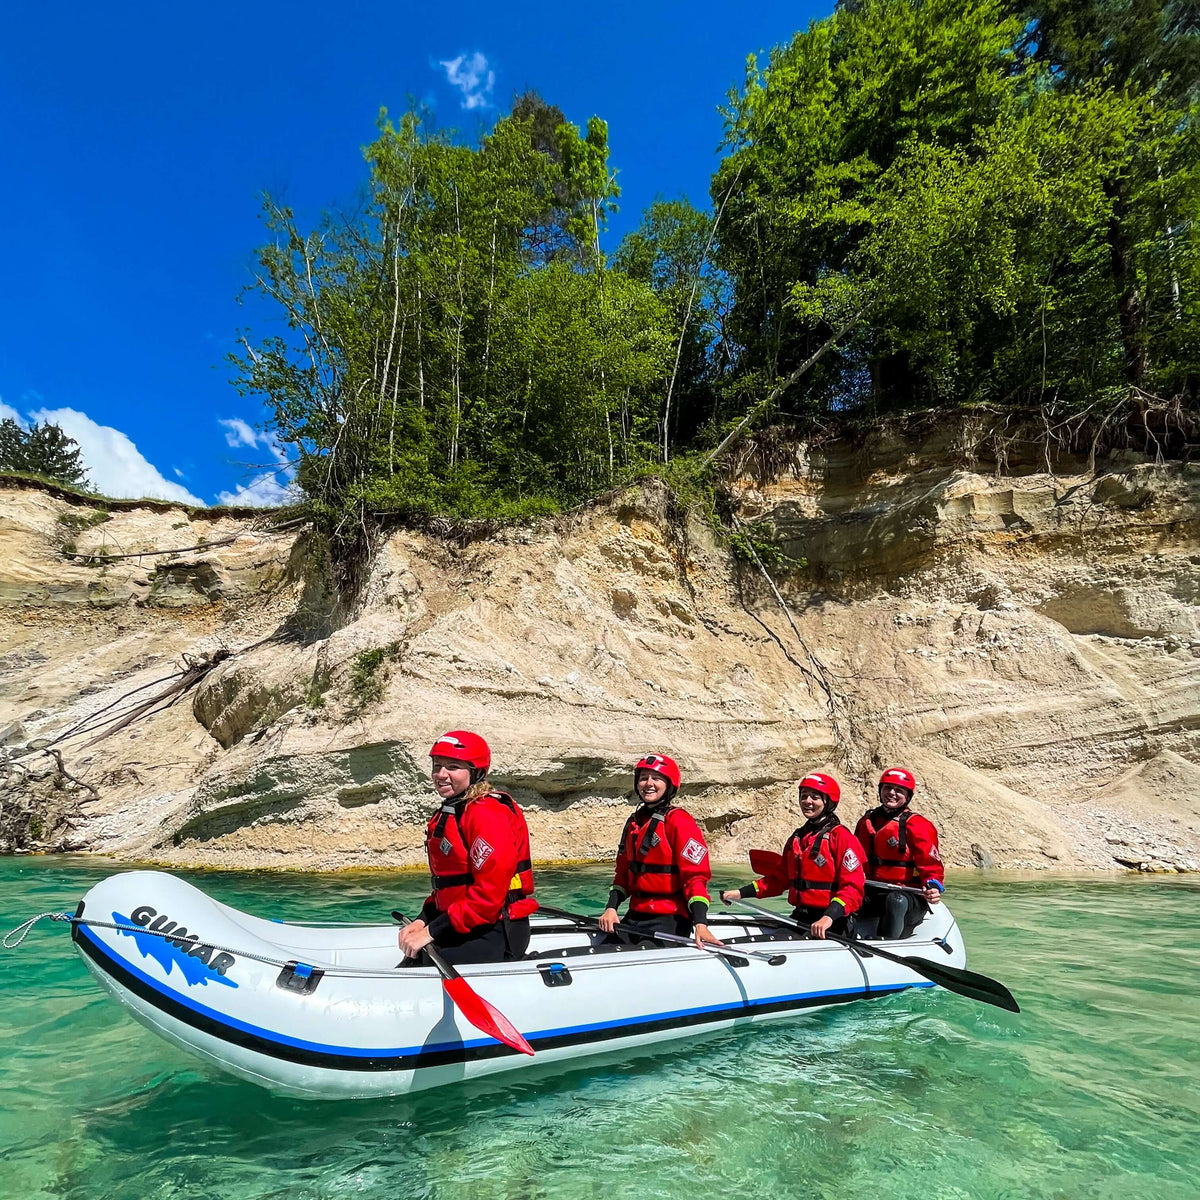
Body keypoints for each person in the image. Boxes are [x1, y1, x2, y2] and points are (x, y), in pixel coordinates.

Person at [397, 730, 538, 966]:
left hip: (494, 930)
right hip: (461, 924)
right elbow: (451, 885)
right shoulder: (455, 810)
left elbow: (488, 896)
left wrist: (431, 931)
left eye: (452, 767)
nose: (441, 774)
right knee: (411, 962)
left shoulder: (486, 814)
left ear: (475, 772)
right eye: (437, 765)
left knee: (420, 966)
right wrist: (423, 920)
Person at [597, 753, 722, 950]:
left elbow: (695, 878)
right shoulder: (633, 822)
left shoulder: (679, 821)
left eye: (656, 778)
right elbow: (622, 875)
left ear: (669, 785)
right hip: (636, 915)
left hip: (671, 918)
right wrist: (611, 908)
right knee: (604, 951)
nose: (648, 783)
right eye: (643, 778)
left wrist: (701, 923)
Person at [721, 772, 865, 939]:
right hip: (802, 917)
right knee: (774, 941)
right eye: (804, 796)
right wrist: (739, 893)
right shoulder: (797, 838)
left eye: (815, 797)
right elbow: (777, 880)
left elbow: (853, 889)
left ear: (828, 802)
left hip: (834, 922)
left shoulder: (842, 838)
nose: (807, 801)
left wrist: (829, 917)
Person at [853, 767, 944, 940]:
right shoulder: (866, 822)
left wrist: (933, 886)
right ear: (880, 790)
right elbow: (853, 860)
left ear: (907, 796)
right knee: (844, 895)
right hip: (874, 891)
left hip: (907, 897)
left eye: (899, 790)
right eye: (887, 788)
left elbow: (932, 866)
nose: (892, 793)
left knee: (896, 901)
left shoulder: (918, 825)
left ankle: (887, 944)